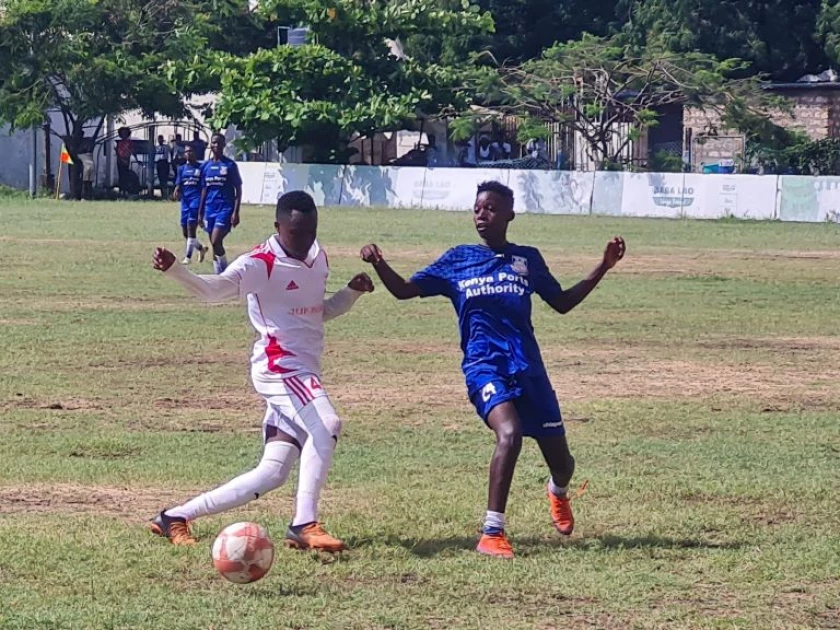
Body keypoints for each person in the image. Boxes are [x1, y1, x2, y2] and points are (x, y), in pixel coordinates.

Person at [360, 181, 626, 559]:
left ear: (509, 215)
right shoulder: (458, 259)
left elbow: (563, 302)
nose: (481, 215)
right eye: (477, 209)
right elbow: (404, 290)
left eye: (490, 209)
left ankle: (557, 491)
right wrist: (378, 261)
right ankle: (491, 532)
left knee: (563, 463)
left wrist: (603, 265)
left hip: (529, 368)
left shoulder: (527, 259)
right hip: (484, 366)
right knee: (509, 434)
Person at [148, 190, 374, 550]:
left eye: (310, 232)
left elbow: (317, 312)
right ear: (278, 227)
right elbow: (213, 291)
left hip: (303, 372)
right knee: (327, 424)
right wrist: (177, 269)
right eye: (295, 234)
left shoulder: (318, 258)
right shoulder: (260, 263)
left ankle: (174, 517)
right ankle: (304, 524)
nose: (303, 242)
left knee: (272, 473)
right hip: (280, 369)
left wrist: (350, 293)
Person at [198, 133, 242, 274]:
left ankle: (224, 272)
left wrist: (236, 212)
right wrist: (200, 213)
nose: (216, 145)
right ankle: (220, 275)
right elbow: (204, 190)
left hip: (225, 209)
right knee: (214, 243)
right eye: (214, 143)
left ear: (224, 145)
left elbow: (238, 189)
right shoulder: (206, 166)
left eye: (219, 143)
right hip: (210, 209)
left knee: (216, 240)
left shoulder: (229, 165)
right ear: (210, 145)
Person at [173, 145, 208, 264]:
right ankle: (201, 248)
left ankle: (188, 257)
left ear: (195, 153)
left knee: (191, 228)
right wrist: (177, 189)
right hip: (185, 202)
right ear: (184, 155)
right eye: (186, 151)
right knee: (185, 232)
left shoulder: (201, 168)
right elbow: (179, 183)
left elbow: (204, 186)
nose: (188, 153)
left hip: (196, 200)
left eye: (191, 151)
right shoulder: (182, 169)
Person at [115, 127, 134, 198]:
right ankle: (121, 190)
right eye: (122, 133)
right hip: (119, 161)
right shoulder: (119, 142)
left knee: (125, 176)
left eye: (125, 133)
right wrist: (120, 158)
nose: (124, 135)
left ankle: (125, 190)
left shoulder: (129, 143)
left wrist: (126, 159)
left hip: (126, 161)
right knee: (121, 176)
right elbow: (117, 152)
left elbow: (130, 151)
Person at [154, 135, 171, 200]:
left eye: (161, 139)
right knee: (160, 179)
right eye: (159, 139)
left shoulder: (166, 146)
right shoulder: (156, 147)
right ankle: (162, 194)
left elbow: (170, 153)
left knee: (165, 179)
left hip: (165, 162)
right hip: (159, 163)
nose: (160, 140)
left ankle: (166, 195)